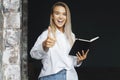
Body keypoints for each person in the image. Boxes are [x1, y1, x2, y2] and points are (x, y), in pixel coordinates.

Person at [30, 2, 89, 80]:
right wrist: (44, 45)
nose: (61, 17)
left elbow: (72, 62)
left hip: (70, 76)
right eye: (57, 13)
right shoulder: (46, 34)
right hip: (52, 76)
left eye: (64, 14)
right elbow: (33, 54)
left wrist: (79, 60)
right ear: (52, 16)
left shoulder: (71, 36)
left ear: (67, 17)